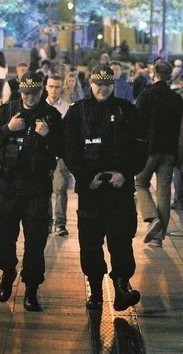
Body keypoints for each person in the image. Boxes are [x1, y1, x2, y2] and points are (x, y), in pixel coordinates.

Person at [63, 64, 147, 311]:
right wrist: (86, 176)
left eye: (107, 84)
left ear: (114, 85)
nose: (103, 89)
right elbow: (69, 149)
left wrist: (126, 173)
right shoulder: (78, 112)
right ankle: (95, 289)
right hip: (91, 192)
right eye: (98, 84)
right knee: (90, 243)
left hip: (119, 191)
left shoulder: (127, 111)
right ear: (90, 84)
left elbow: (141, 148)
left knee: (121, 240)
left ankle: (122, 285)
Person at [0, 72, 63, 312]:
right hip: (7, 186)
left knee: (36, 240)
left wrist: (48, 136)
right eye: (25, 93)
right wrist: (8, 128)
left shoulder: (51, 116)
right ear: (20, 92)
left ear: (42, 92)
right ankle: (8, 271)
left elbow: (64, 149)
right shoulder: (8, 111)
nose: (29, 98)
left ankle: (31, 288)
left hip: (37, 188)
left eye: (34, 93)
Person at [135, 60, 183, 247]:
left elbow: (138, 124)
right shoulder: (177, 99)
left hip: (150, 149)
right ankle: (158, 238)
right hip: (169, 151)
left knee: (140, 182)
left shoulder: (147, 95)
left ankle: (151, 216)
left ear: (154, 73)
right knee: (164, 191)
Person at [45, 75, 72, 236]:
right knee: (45, 189)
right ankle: (47, 221)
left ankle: (60, 223)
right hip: (44, 154)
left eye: (57, 87)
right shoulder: (41, 107)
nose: (54, 90)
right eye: (51, 86)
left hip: (61, 155)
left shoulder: (67, 108)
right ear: (46, 87)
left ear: (61, 88)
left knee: (60, 189)